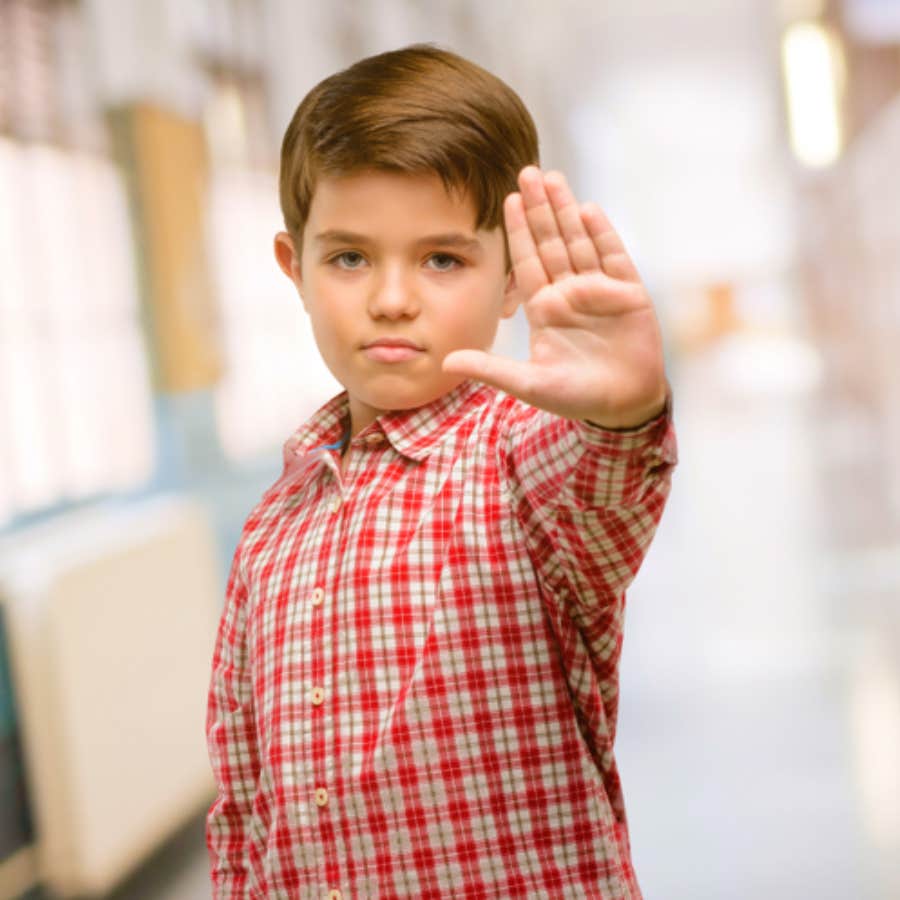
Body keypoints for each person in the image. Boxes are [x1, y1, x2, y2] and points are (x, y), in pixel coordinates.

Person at [205, 43, 677, 899]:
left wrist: (623, 412)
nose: (391, 297)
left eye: (443, 259)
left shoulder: (523, 462)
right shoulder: (272, 531)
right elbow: (244, 808)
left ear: (510, 277)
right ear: (294, 268)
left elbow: (607, 489)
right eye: (349, 257)